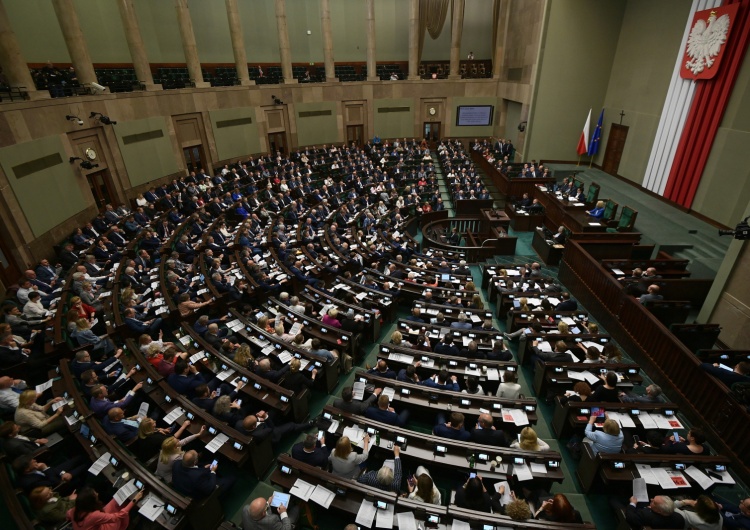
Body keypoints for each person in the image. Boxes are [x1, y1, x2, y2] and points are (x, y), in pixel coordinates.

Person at [67, 486, 143, 530]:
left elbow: (68, 515)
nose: (97, 494)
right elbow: (117, 517)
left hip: (97, 523)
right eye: (95, 494)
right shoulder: (94, 515)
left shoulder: (75, 510)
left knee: (115, 500)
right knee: (123, 510)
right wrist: (134, 500)